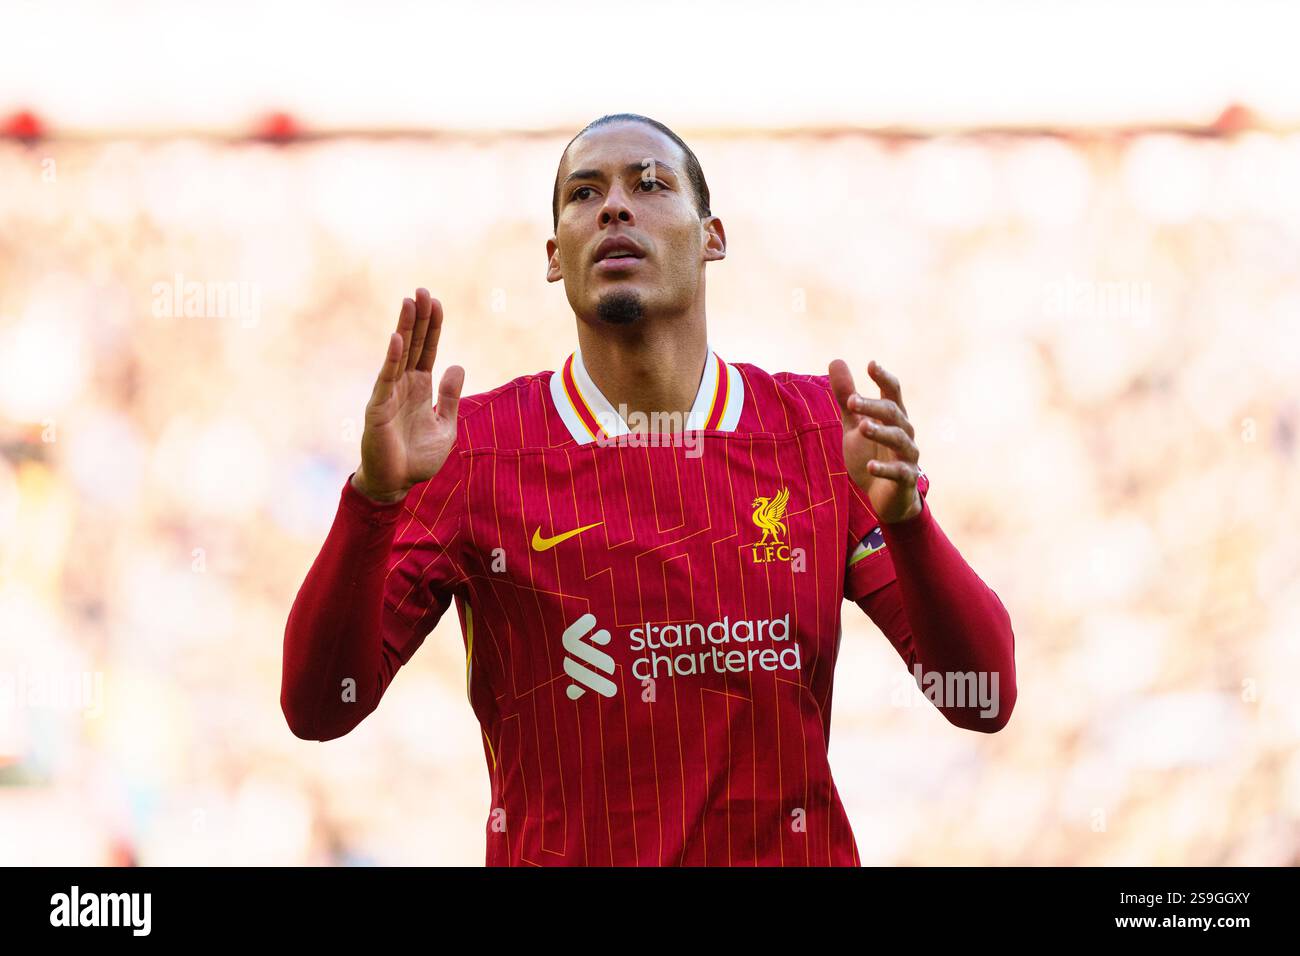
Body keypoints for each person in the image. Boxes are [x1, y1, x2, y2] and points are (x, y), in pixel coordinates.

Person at [281, 113, 1017, 866]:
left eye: (651, 184)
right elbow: (318, 708)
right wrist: (373, 501)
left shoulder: (821, 433)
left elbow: (982, 698)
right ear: (554, 258)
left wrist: (909, 525)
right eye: (584, 193)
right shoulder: (469, 450)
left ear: (712, 238)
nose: (614, 207)